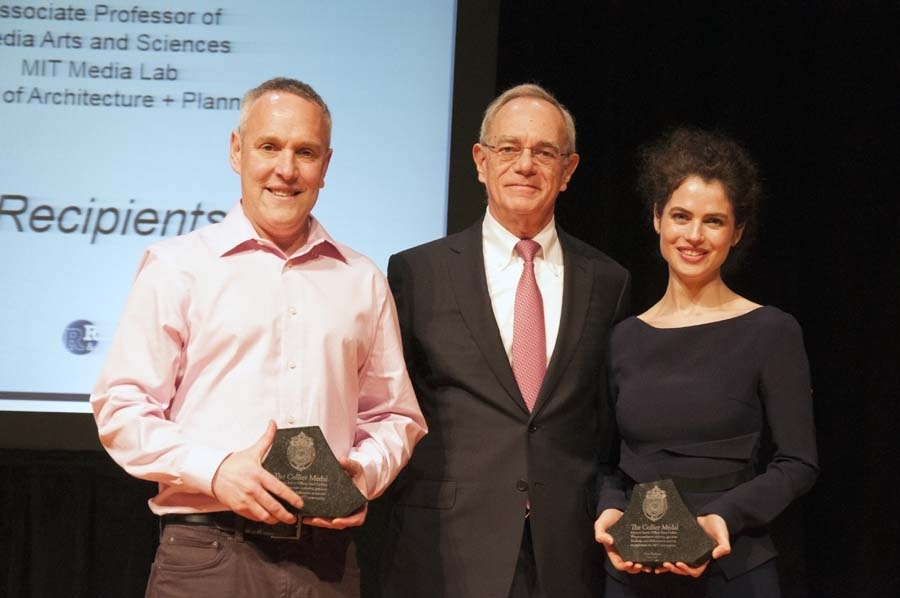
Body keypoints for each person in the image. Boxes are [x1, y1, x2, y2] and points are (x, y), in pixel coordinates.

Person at [90, 77, 427, 598]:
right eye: (270, 146)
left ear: (326, 165)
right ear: (237, 150)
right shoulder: (178, 267)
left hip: (326, 563)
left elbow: (394, 416)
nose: (286, 170)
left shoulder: (362, 280)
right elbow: (122, 407)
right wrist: (217, 470)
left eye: (305, 152)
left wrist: (361, 474)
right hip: (207, 557)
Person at [366, 83, 631, 598]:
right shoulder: (417, 271)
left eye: (544, 152)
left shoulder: (609, 280)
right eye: (509, 148)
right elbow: (387, 407)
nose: (525, 165)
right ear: (480, 160)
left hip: (566, 552)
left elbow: (606, 423)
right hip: (446, 547)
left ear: (569, 170)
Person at [593, 127, 819, 597]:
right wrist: (611, 510)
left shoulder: (771, 331)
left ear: (736, 233)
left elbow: (798, 463)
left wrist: (722, 519)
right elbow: (606, 463)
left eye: (713, 221)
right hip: (634, 576)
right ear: (657, 219)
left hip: (734, 568)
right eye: (680, 216)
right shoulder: (623, 338)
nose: (693, 236)